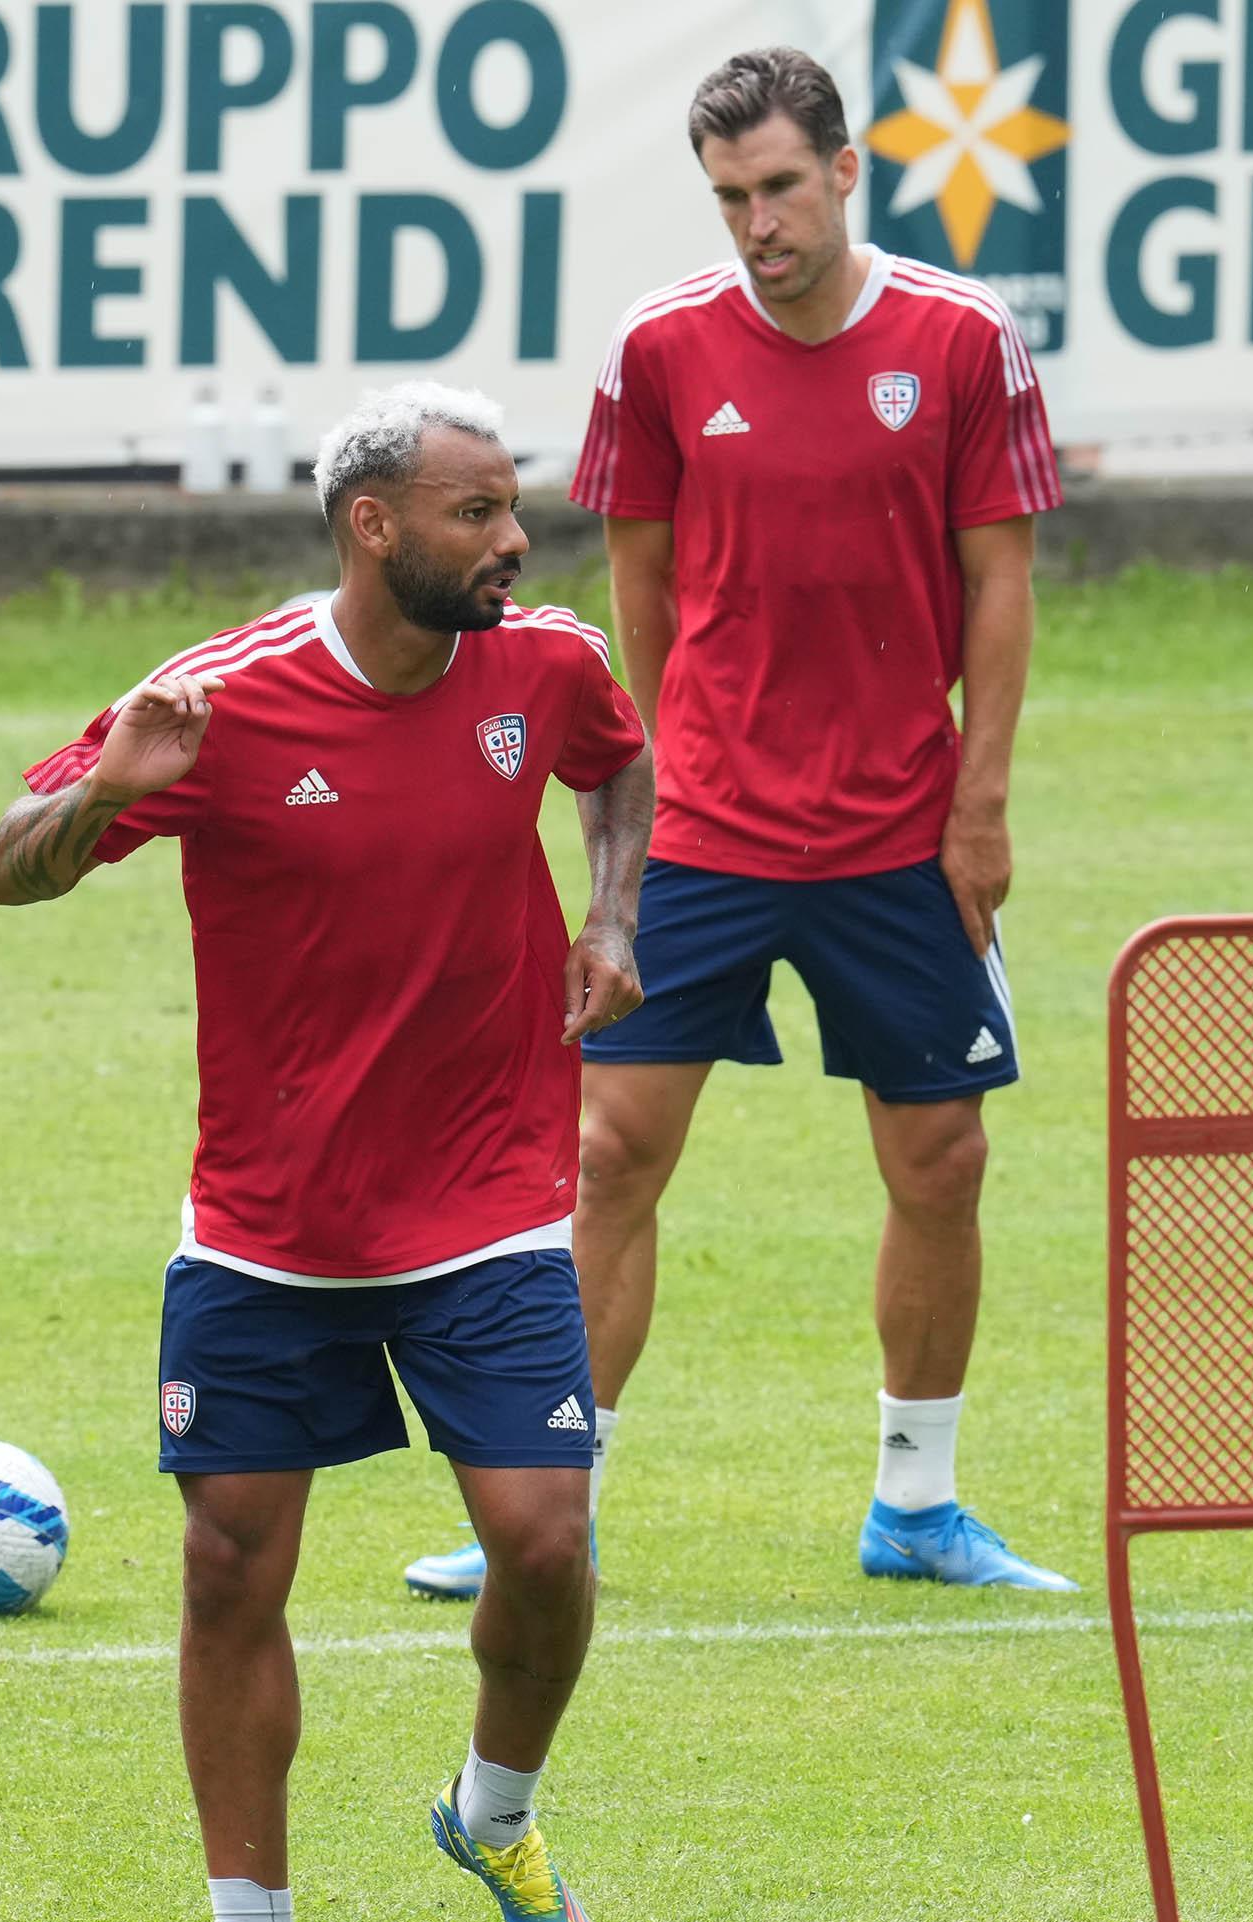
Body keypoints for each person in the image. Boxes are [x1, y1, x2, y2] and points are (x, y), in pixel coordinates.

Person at [0, 383, 655, 1922]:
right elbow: (9, 868)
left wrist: (610, 914)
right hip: (268, 1219)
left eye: (512, 511)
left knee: (543, 1542)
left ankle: (493, 1821)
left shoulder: (544, 661)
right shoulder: (215, 700)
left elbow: (616, 766)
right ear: (373, 527)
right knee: (226, 1568)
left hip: (490, 1193)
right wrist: (102, 790)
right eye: (476, 514)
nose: (513, 542)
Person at [403, 46, 1072, 1603]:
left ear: (845, 173)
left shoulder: (961, 341)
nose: (756, 224)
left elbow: (1000, 586)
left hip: (901, 833)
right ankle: (539, 1503)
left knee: (940, 1161)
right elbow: (639, 579)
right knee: (608, 1151)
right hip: (702, 828)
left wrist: (980, 808)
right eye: (728, 199)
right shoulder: (658, 350)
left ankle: (915, 1503)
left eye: (778, 187)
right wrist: (645, 778)